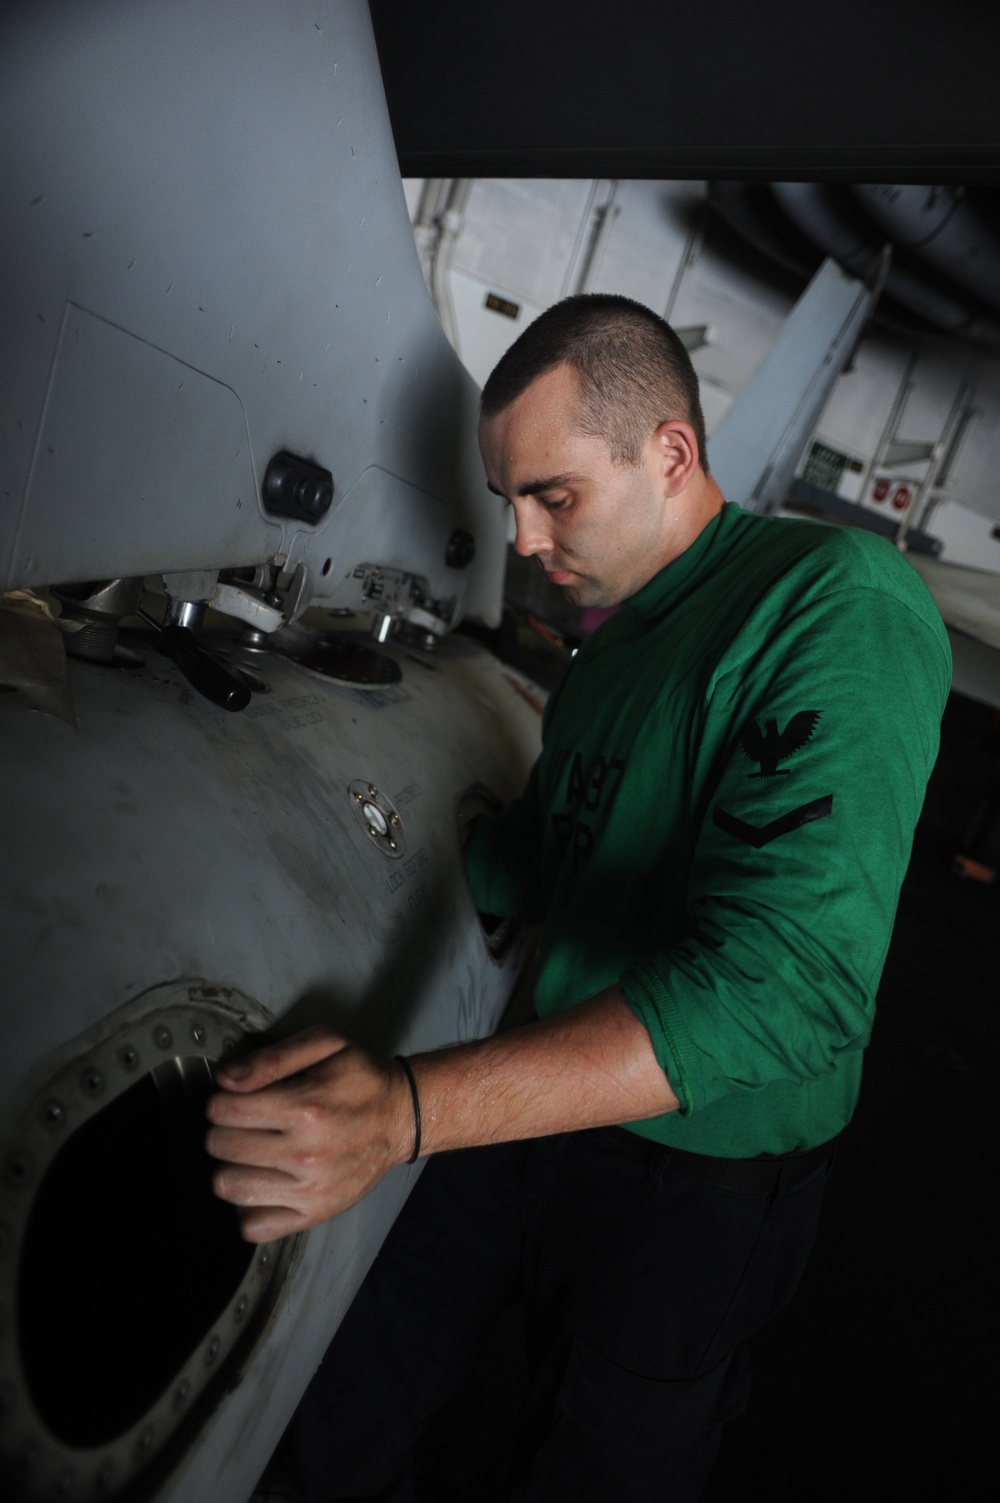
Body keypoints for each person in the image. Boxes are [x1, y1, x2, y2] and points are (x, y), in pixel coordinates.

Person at [207, 295, 951, 1501]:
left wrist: (401, 1112)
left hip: (697, 1177)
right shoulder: (612, 643)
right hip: (539, 1092)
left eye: (552, 495)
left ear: (670, 452)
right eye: (509, 502)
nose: (522, 539)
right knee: (346, 1396)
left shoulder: (833, 601)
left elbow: (790, 986)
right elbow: (548, 856)